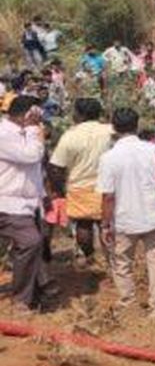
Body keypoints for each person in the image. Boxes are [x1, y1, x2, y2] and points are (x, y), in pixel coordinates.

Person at [97, 107, 155, 316]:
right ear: (136, 124)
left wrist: (105, 224)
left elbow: (108, 197)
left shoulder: (109, 158)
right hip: (154, 215)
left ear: (114, 127)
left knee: (122, 262)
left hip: (124, 218)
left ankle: (128, 301)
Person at [0, 95, 56, 313]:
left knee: (37, 242)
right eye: (36, 116)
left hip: (27, 203)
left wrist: (43, 195)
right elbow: (30, 156)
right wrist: (34, 130)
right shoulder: (4, 134)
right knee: (31, 242)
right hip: (8, 203)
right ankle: (22, 300)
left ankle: (36, 290)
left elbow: (33, 171)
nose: (40, 122)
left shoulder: (24, 134)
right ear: (27, 115)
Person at [47, 98, 114, 267]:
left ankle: (90, 255)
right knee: (107, 224)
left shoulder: (70, 135)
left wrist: (59, 190)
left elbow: (56, 167)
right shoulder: (111, 131)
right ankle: (111, 261)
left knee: (84, 225)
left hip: (79, 186)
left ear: (79, 114)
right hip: (109, 186)